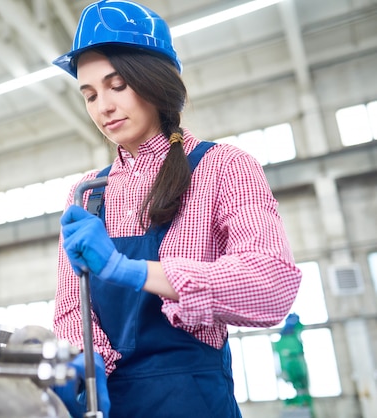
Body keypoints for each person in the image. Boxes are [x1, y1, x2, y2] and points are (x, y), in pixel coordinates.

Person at [51, 1, 303, 417]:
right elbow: (70, 305)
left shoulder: (222, 167)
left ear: (154, 81)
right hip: (109, 404)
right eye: (90, 94)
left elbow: (270, 284)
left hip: (193, 402)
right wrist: (83, 356)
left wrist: (125, 269)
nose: (103, 107)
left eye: (117, 86)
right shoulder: (86, 194)